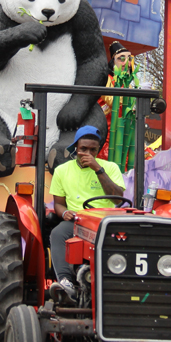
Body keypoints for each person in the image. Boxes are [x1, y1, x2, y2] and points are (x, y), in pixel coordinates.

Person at [48, 127, 124, 300]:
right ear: (76, 148)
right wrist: (65, 212)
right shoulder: (62, 170)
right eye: (83, 149)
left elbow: (118, 199)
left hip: (106, 221)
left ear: (98, 151)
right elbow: (58, 204)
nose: (87, 153)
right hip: (77, 221)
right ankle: (66, 282)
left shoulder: (110, 168)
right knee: (58, 233)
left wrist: (98, 169)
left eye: (92, 150)